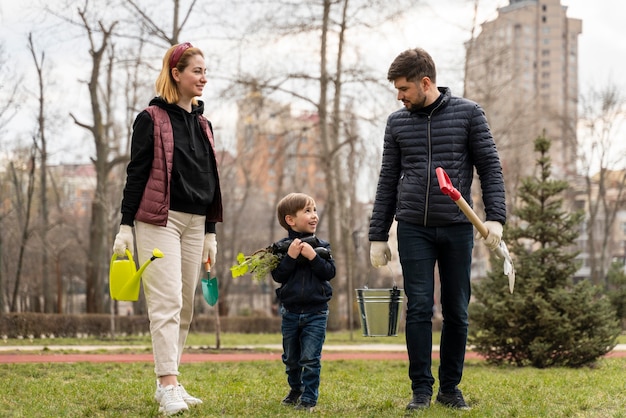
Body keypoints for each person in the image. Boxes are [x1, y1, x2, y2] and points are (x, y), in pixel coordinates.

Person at [368, 47, 506, 411]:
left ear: (425, 82)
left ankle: (450, 388)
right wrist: (378, 234)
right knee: (418, 310)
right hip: (413, 227)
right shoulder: (397, 123)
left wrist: (496, 218)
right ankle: (421, 390)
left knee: (457, 310)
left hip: (458, 226)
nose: (399, 96)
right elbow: (387, 179)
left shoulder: (469, 114)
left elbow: (490, 167)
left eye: (403, 89)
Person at [112, 42, 223, 416]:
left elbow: (210, 179)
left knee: (186, 307)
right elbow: (137, 173)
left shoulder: (204, 123)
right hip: (158, 219)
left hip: (195, 223)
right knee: (167, 303)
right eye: (197, 71)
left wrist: (210, 231)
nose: (204, 78)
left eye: (206, 71)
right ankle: (167, 383)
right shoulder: (151, 118)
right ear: (176, 74)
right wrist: (125, 226)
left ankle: (170, 379)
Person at [271, 193, 336, 413]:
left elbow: (330, 272)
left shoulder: (322, 246)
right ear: (290, 220)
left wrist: (314, 257)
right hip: (289, 312)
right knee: (291, 358)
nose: (314, 215)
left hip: (316, 312)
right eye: (307, 211)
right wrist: (289, 257)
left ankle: (309, 398)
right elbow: (278, 276)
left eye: (315, 210)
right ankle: (295, 389)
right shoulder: (280, 248)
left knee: (310, 357)